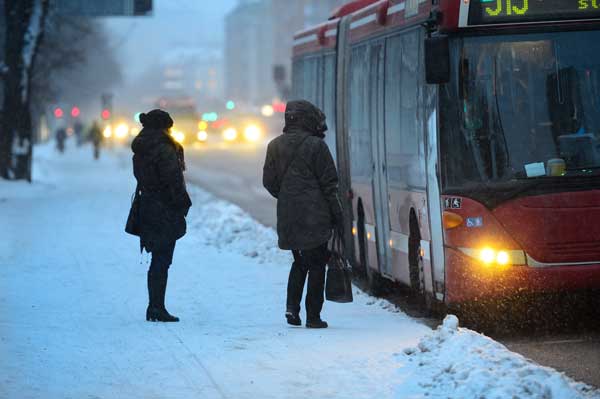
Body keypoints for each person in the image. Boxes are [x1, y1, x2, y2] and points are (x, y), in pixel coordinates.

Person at [262, 100, 343, 329]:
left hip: (289, 214)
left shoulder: (274, 145)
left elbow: (269, 182)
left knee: (299, 261)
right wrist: (338, 215)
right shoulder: (317, 146)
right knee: (317, 263)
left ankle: (291, 308)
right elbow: (330, 185)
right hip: (315, 216)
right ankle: (313, 316)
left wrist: (288, 197)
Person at [129, 109, 192, 322]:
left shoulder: (141, 148)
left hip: (148, 205)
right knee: (162, 259)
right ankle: (156, 308)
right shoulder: (164, 149)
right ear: (163, 127)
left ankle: (155, 306)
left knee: (158, 257)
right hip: (164, 208)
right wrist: (183, 204)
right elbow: (173, 181)